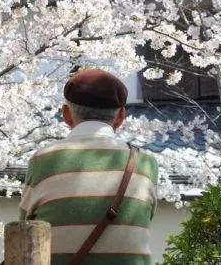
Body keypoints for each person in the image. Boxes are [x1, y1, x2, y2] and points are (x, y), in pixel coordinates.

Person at [19, 68, 159, 265]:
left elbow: (24, 228)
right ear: (120, 116)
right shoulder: (145, 163)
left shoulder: (43, 160)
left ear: (66, 114)